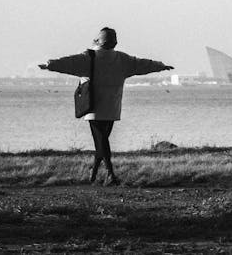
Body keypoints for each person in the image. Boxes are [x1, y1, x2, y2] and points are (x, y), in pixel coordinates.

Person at [38, 27, 173, 185]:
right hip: (112, 106)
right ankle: (97, 173)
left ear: (97, 41)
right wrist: (160, 66)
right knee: (102, 141)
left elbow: (69, 63)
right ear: (115, 42)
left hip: (93, 106)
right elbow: (142, 64)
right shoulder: (122, 59)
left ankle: (109, 174)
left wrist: (50, 65)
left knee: (101, 141)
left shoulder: (89, 58)